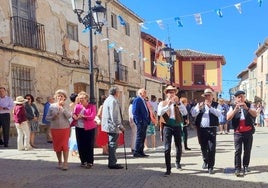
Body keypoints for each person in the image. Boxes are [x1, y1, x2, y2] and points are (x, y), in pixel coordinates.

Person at [158, 85, 187, 176]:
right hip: (167, 126)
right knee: (167, 148)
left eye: (173, 92)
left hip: (177, 125)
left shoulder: (178, 103)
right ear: (166, 94)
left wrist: (178, 103)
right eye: (169, 92)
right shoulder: (162, 103)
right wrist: (168, 105)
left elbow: (185, 112)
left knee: (179, 146)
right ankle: (168, 168)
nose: (171, 94)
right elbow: (159, 113)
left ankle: (178, 162)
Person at [191, 88, 221, 174]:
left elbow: (219, 114)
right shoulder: (200, 104)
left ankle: (210, 166)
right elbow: (193, 114)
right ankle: (205, 160)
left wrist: (210, 107)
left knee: (211, 148)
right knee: (203, 147)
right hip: (201, 129)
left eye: (209, 95)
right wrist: (198, 109)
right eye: (206, 96)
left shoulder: (216, 105)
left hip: (212, 129)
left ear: (212, 96)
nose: (207, 97)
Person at [226, 90, 257, 177]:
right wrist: (235, 110)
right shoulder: (232, 106)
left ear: (244, 97)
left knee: (247, 150)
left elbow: (255, 114)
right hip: (238, 133)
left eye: (242, 96)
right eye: (238, 97)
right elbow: (228, 118)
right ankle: (237, 168)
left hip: (248, 132)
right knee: (238, 151)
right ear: (236, 99)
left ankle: (246, 166)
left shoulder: (250, 105)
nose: (240, 98)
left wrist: (246, 108)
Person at [46, 89, 71, 170]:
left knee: (64, 146)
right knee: (57, 146)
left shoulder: (67, 106)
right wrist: (53, 117)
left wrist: (62, 108)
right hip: (55, 128)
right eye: (58, 96)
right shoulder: (52, 106)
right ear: (56, 97)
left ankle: (65, 163)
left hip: (65, 128)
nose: (60, 97)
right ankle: (59, 161)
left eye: (62, 96)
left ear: (64, 98)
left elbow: (69, 116)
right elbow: (47, 117)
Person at [101, 86, 125, 169]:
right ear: (115, 92)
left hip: (109, 125)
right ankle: (112, 163)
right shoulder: (113, 101)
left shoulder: (108, 100)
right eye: (118, 91)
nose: (119, 93)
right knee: (113, 144)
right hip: (112, 126)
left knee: (112, 144)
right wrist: (120, 125)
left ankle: (112, 161)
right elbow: (114, 115)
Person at [72, 91, 97, 169]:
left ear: (87, 99)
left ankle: (90, 162)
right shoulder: (77, 106)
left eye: (82, 99)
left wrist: (83, 116)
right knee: (81, 145)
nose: (81, 100)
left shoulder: (92, 106)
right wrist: (74, 116)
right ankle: (83, 161)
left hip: (89, 128)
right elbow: (73, 113)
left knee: (89, 145)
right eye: (80, 99)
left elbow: (92, 117)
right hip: (79, 127)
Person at [132, 88, 150, 158]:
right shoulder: (137, 100)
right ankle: (137, 152)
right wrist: (139, 121)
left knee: (143, 137)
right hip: (141, 122)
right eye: (144, 92)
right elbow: (135, 112)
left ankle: (141, 151)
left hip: (144, 121)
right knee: (139, 137)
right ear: (140, 93)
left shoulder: (143, 100)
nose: (145, 93)